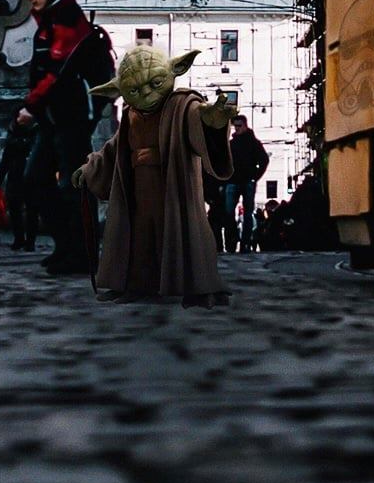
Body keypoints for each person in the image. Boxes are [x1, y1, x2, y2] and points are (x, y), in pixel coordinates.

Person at [76, 47, 236, 303]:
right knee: (139, 238)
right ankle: (136, 287)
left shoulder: (182, 105)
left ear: (176, 70)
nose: (147, 94)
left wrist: (212, 122)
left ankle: (198, 288)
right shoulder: (130, 115)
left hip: (172, 186)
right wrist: (89, 168)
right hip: (138, 188)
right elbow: (114, 149)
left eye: (155, 83)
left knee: (180, 234)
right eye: (134, 90)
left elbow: (198, 120)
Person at [17, 0, 105, 276]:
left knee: (73, 183)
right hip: (54, 117)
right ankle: (66, 246)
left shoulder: (67, 20)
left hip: (72, 115)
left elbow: (57, 72)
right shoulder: (51, 21)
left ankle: (82, 253)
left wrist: (31, 106)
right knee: (35, 179)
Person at [0, 109, 40, 250]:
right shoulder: (13, 131)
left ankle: (30, 241)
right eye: (20, 115)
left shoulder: (37, 132)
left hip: (31, 175)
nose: (22, 117)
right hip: (15, 175)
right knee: (14, 208)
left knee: (32, 209)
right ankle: (19, 238)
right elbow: (6, 158)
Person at [228, 115, 270, 253]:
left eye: (239, 126)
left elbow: (264, 160)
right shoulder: (232, 144)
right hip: (234, 181)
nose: (237, 128)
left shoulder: (253, 143)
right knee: (229, 212)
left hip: (246, 181)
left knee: (247, 214)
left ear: (245, 125)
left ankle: (244, 243)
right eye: (235, 126)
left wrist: (255, 177)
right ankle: (233, 241)